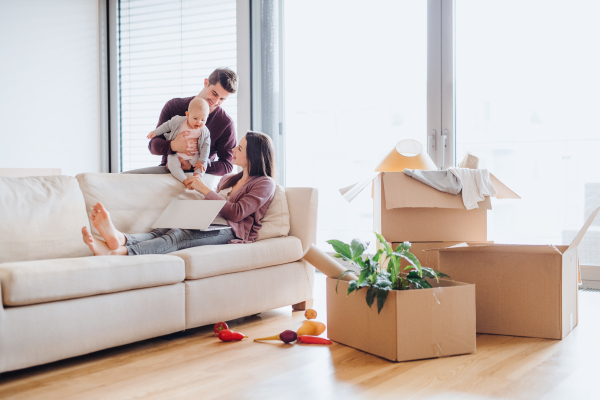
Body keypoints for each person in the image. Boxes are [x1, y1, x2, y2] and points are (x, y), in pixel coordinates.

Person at [81, 131, 276, 256]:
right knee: (165, 229)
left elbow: (237, 213)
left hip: (232, 230)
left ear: (253, 156)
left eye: (239, 148)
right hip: (209, 222)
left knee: (178, 236)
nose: (233, 149)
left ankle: (119, 252)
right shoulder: (228, 179)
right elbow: (214, 206)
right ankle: (121, 238)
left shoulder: (265, 183)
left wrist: (204, 189)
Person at [123, 67, 238, 177]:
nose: (216, 102)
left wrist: (193, 166)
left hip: (198, 175)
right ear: (206, 83)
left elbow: (227, 165)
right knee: (123, 178)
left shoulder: (225, 123)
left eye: (222, 99)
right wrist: (173, 145)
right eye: (214, 93)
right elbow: (153, 146)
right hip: (168, 169)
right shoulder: (174, 106)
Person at [146, 97, 210, 183]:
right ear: (188, 115)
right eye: (195, 118)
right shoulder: (178, 121)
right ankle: (185, 180)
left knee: (203, 164)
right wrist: (155, 132)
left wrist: (201, 160)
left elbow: (206, 146)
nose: (199, 122)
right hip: (176, 153)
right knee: (172, 165)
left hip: (194, 155)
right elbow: (166, 126)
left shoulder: (204, 131)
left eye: (203, 119)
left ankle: (196, 178)